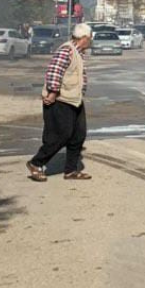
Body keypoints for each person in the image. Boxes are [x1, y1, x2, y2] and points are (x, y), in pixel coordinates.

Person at [26, 23, 93, 182]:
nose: (90, 41)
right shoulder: (66, 50)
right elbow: (54, 72)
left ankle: (70, 171)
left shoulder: (78, 52)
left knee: (78, 135)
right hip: (61, 100)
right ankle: (36, 163)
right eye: (89, 38)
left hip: (74, 100)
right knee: (61, 135)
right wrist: (53, 92)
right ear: (84, 38)